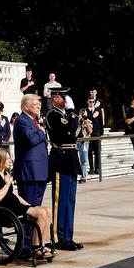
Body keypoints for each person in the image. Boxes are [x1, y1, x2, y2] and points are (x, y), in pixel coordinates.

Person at [0, 147, 54, 261]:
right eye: (8, 159)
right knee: (41, 214)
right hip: (4, 210)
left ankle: (41, 245)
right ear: (0, 160)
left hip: (15, 206)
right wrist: (7, 183)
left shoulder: (6, 174)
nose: (11, 161)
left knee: (47, 211)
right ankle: (35, 247)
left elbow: (15, 195)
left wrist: (29, 205)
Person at [45, 90, 83, 251]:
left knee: (70, 201)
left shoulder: (66, 115)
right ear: (55, 99)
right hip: (60, 159)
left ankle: (68, 236)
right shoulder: (53, 115)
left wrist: (73, 119)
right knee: (59, 201)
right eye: (62, 97)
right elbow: (70, 131)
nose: (66, 100)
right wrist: (74, 114)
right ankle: (58, 237)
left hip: (71, 158)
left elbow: (75, 133)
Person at [14, 94, 49, 207]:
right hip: (29, 172)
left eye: (39, 104)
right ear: (25, 107)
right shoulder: (21, 120)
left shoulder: (34, 120)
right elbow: (31, 139)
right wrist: (41, 131)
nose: (38, 107)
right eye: (35, 104)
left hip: (39, 171)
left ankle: (34, 225)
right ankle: (28, 225)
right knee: (28, 206)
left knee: (36, 206)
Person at [82, 89, 105, 177]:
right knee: (90, 152)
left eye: (93, 102)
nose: (91, 103)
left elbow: (92, 119)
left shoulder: (97, 110)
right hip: (88, 134)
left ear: (94, 102)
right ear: (88, 102)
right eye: (90, 101)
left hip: (97, 133)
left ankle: (97, 168)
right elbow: (85, 119)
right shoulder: (85, 111)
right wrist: (87, 117)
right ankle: (91, 168)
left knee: (98, 151)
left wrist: (101, 133)